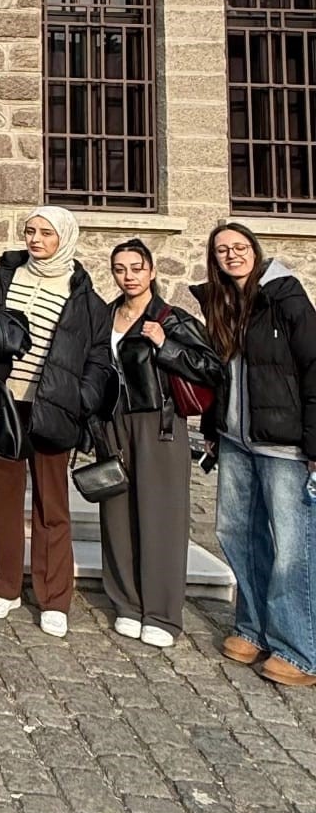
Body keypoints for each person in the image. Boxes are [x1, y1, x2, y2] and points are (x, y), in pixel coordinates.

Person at [193, 222, 316, 687]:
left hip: (284, 444)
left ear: (255, 250)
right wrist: (211, 427)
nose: (232, 255)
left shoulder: (285, 298)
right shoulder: (224, 304)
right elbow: (220, 376)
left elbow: (314, 365)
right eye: (223, 250)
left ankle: (299, 650)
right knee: (237, 533)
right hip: (237, 440)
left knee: (292, 548)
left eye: (239, 247)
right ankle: (253, 628)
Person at [0, 206, 112, 638]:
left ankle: (53, 596)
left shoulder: (84, 297)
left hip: (54, 407)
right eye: (30, 231)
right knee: (3, 499)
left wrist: (80, 399)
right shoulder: (5, 278)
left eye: (45, 233)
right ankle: (4, 586)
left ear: (65, 238)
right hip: (7, 404)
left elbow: (98, 358)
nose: (35, 239)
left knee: (51, 505)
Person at [101, 238, 222, 649]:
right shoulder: (106, 316)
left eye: (136, 267)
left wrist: (164, 346)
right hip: (115, 422)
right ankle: (127, 603)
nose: (128, 276)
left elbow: (211, 367)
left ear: (152, 271)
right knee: (117, 512)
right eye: (120, 268)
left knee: (161, 517)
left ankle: (162, 613)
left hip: (160, 424)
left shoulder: (171, 319)